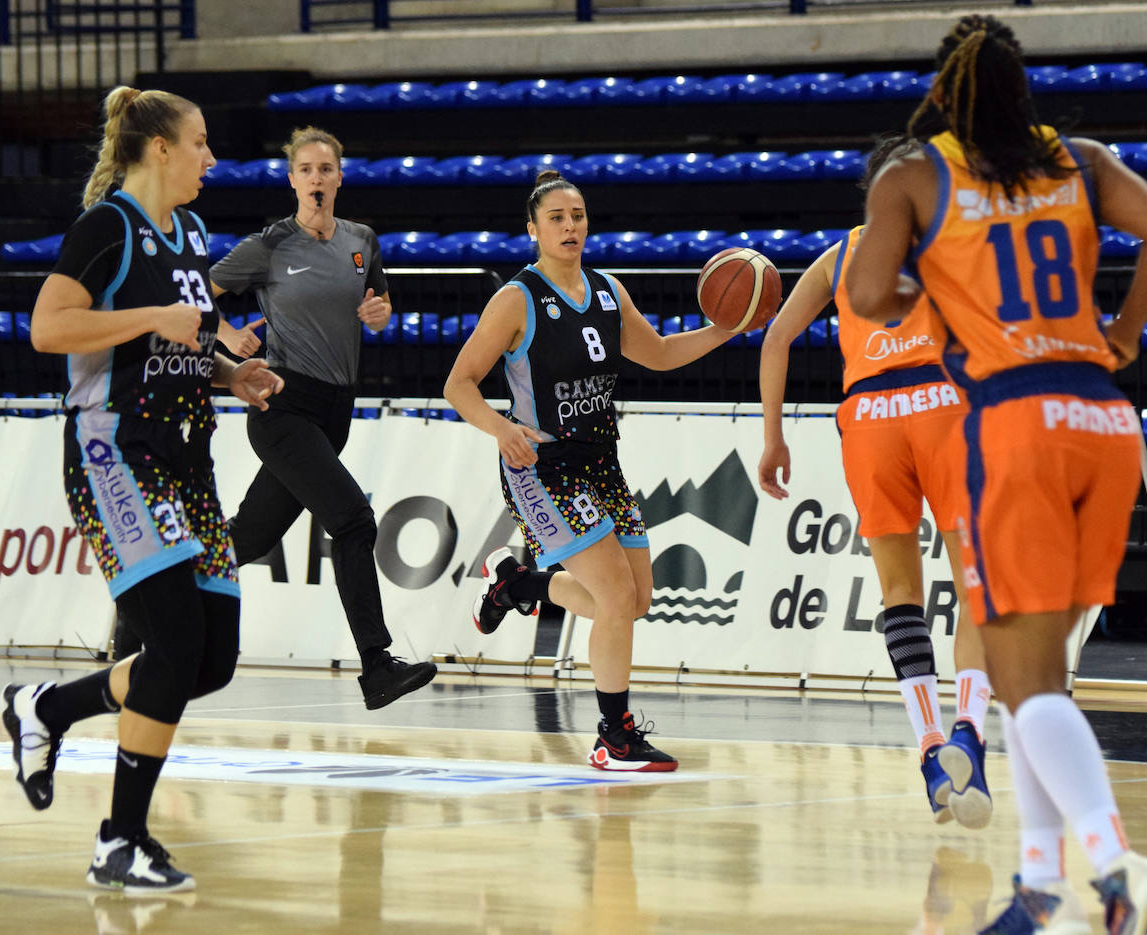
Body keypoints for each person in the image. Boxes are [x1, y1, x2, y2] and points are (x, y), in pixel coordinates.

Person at [847, 15, 1147, 935]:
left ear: (944, 92)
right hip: (1102, 417)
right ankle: (1040, 894)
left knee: (1021, 678)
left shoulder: (916, 173)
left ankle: (1114, 868)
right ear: (1020, 87)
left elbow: (867, 294)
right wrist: (1124, 332)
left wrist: (943, 291)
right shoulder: (1079, 158)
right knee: (1034, 678)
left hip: (1017, 420)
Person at [1, 85, 284, 893]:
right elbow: (48, 327)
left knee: (213, 658)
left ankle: (47, 709)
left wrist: (233, 374)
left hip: (187, 457)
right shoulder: (107, 227)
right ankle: (119, 840)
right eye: (200, 142)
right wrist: (150, 317)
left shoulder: (191, 230)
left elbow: (181, 336)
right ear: (159, 147)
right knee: (169, 645)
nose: (211, 157)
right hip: (113, 452)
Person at [443, 170, 733, 771]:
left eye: (577, 215)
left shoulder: (607, 290)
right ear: (533, 230)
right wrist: (502, 428)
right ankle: (613, 735)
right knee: (615, 595)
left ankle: (520, 587)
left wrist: (725, 329)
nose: (570, 225)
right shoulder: (517, 299)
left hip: (601, 461)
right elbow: (459, 383)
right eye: (557, 217)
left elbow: (655, 354)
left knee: (637, 599)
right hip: (542, 465)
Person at [757, 134, 993, 831]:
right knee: (974, 580)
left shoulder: (840, 255)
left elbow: (775, 338)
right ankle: (968, 738)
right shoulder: (948, 238)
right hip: (943, 403)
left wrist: (773, 436)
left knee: (899, 594)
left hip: (868, 415)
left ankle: (927, 749)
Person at [209, 126, 437, 710]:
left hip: (337, 411)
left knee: (250, 537)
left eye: (325, 170)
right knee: (355, 522)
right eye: (305, 170)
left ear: (339, 177)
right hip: (284, 406)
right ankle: (377, 665)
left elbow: (378, 310)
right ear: (292, 179)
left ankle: (150, 604)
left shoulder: (362, 240)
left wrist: (382, 315)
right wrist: (223, 332)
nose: (316, 179)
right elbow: (196, 294)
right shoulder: (269, 245)